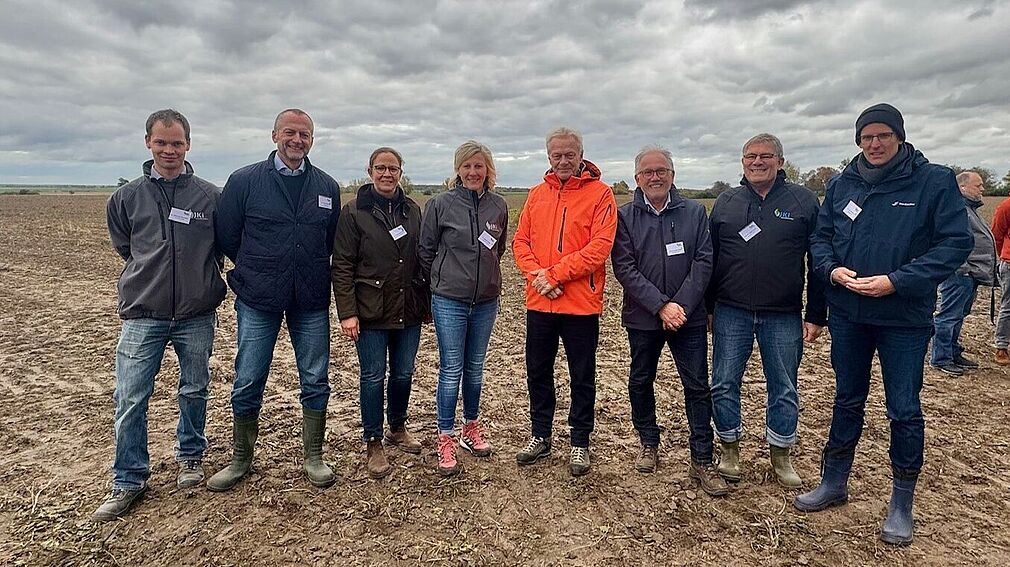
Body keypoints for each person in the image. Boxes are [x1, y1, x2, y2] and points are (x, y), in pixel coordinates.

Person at [797, 103, 972, 546]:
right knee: (847, 399)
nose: (874, 144)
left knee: (904, 408)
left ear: (899, 137)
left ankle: (901, 502)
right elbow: (820, 239)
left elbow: (954, 244)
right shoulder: (841, 184)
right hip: (851, 315)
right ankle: (834, 481)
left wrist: (897, 281)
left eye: (882, 136)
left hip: (904, 319)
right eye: (866, 137)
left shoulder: (933, 181)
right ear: (858, 141)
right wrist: (832, 269)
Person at [94, 109, 226, 521]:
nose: (169, 150)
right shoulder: (127, 197)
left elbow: (220, 247)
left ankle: (190, 457)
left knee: (194, 388)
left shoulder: (210, 197)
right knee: (131, 397)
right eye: (161, 142)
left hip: (196, 312)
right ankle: (129, 479)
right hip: (143, 313)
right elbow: (127, 247)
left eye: (177, 143)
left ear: (189, 145)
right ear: (148, 142)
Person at [210, 109, 341, 491]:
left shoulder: (327, 186)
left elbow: (330, 240)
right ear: (274, 135)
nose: (296, 140)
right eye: (290, 132)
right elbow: (228, 236)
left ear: (312, 140)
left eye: (304, 134)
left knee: (315, 377)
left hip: (311, 296)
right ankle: (240, 459)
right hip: (258, 295)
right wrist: (258, 267)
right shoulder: (245, 181)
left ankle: (313, 455)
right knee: (249, 376)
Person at [706, 133, 825, 488]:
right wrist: (708, 307)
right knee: (724, 383)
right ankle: (729, 448)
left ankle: (781, 454)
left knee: (784, 386)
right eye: (750, 157)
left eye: (766, 156)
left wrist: (817, 313)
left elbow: (818, 260)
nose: (757, 162)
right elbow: (710, 259)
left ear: (781, 162)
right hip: (730, 311)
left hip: (783, 314)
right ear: (742, 162)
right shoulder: (726, 202)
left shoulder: (803, 201)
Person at [610, 146, 727, 496]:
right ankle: (649, 442)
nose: (656, 177)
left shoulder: (694, 212)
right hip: (643, 317)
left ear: (673, 175)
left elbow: (704, 262)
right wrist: (661, 306)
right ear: (638, 179)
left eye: (662, 170)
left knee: (696, 386)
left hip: (687, 318)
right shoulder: (625, 216)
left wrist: (682, 306)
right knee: (641, 380)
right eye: (648, 172)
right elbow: (625, 268)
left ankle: (702, 458)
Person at [513, 127, 618, 476]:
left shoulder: (601, 194)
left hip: (580, 305)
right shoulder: (536, 194)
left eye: (569, 154)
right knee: (538, 372)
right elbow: (521, 244)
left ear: (581, 154)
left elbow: (599, 248)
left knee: (582, 375)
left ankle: (579, 442)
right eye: (556, 155)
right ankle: (540, 435)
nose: (563, 161)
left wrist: (554, 275)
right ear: (548, 156)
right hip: (540, 303)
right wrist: (538, 277)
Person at [332, 147, 427, 479]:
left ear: (401, 171)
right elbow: (342, 265)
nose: (387, 174)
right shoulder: (354, 211)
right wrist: (347, 312)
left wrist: (425, 304)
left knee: (403, 373)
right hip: (370, 310)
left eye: (393, 168)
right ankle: (373, 440)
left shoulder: (413, 210)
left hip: (408, 308)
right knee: (372, 376)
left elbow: (422, 259)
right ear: (369, 171)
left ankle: (397, 427)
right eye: (380, 168)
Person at [418, 141, 509, 476]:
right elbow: (426, 251)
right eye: (467, 166)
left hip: (485, 301)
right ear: (457, 169)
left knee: (475, 369)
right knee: (451, 369)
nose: (473, 172)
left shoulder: (498, 205)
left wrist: (483, 281)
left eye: (479, 166)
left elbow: (496, 250)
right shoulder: (440, 204)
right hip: (449, 300)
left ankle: (471, 426)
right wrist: (444, 282)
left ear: (488, 170)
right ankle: (445, 436)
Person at [931, 171, 996, 375]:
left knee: (959, 314)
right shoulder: (956, 209)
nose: (982, 189)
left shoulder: (970, 209)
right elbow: (951, 241)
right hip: (959, 273)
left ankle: (952, 351)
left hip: (970, 274)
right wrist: (963, 268)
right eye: (978, 185)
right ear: (962, 187)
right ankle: (941, 358)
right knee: (948, 315)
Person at [990, 188, 1010, 364]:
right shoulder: (1006, 206)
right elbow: (996, 234)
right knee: (1008, 306)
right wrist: (1004, 255)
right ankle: (1002, 346)